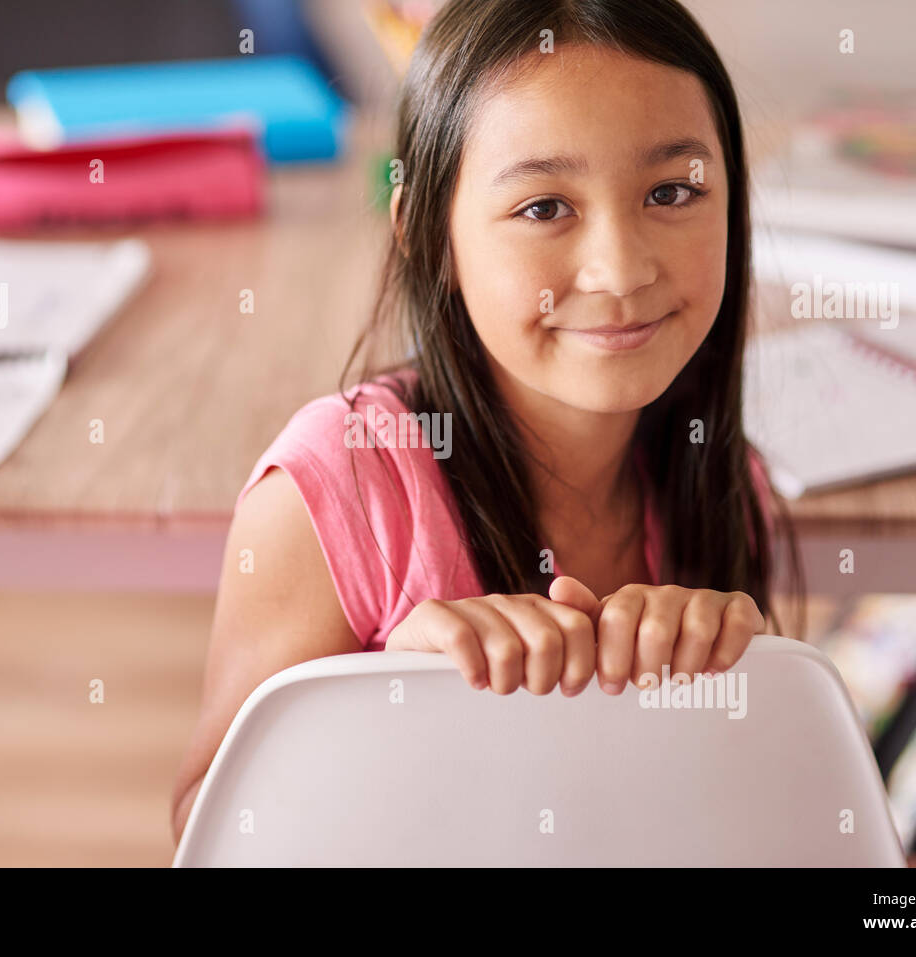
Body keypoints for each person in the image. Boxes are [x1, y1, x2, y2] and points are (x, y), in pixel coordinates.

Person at [171, 0, 806, 843]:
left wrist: (749, 693)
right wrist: (381, 706)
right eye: (545, 208)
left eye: (672, 191)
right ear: (432, 243)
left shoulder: (730, 481)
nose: (619, 268)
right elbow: (207, 835)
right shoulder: (335, 494)